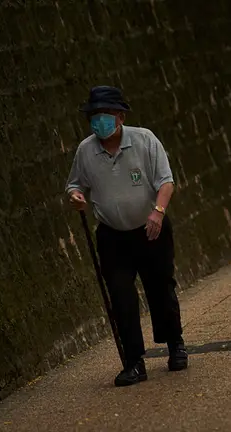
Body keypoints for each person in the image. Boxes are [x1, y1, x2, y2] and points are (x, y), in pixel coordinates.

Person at [65, 86, 188, 387]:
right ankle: (134, 362)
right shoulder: (86, 151)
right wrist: (76, 196)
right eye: (93, 116)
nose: (98, 122)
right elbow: (74, 184)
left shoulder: (145, 140)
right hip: (112, 237)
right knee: (121, 297)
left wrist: (157, 212)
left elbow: (166, 181)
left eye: (104, 115)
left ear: (120, 116)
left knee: (161, 289)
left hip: (151, 229)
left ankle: (175, 345)